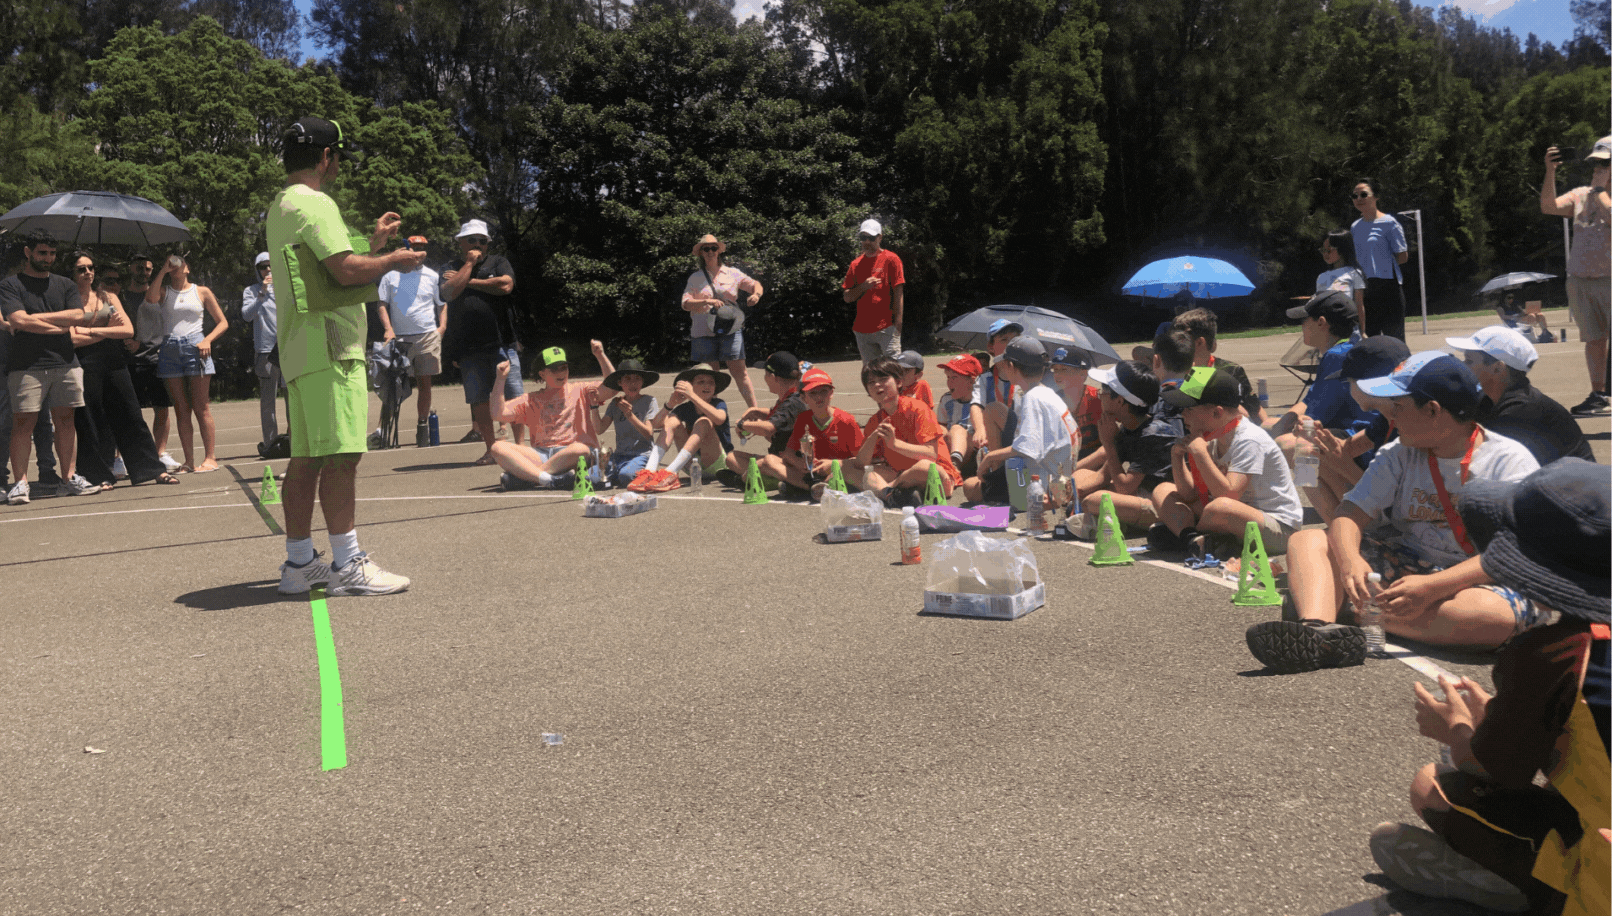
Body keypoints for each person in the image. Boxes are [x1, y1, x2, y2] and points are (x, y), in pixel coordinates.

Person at [1369, 458, 1608, 916]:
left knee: (1432, 786)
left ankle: (1522, 886)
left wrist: (1458, 729)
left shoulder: (1555, 653)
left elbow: (1495, 772)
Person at [1245, 353, 1542, 674]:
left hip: (1480, 578)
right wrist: (1350, 561)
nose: (1390, 415)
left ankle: (1344, 610)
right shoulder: (1398, 453)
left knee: (1488, 616)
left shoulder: (1508, 462)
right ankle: (1319, 630)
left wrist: (1432, 587)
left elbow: (1512, 551)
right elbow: (1348, 514)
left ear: (1432, 410)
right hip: (1407, 566)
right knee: (1308, 541)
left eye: (1398, 407)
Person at [267, 114, 429, 596]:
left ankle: (300, 563)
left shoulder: (282, 205)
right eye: (337, 156)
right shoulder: (316, 202)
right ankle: (348, 562)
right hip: (331, 347)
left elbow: (322, 262)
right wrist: (392, 260)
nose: (338, 165)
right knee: (342, 455)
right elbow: (343, 270)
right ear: (325, 156)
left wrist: (372, 244)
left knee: (307, 458)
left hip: (300, 349)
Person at [1146, 366, 1303, 557]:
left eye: (1189, 408)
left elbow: (1229, 495)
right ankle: (1191, 538)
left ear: (1217, 413)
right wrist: (1176, 456)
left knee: (1220, 508)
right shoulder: (1211, 434)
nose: (1183, 414)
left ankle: (1185, 535)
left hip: (1277, 527)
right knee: (1163, 490)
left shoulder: (1249, 439)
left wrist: (1200, 454)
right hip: (1231, 517)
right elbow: (1189, 494)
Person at [1, 232, 99, 504]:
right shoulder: (11, 285)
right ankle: (20, 484)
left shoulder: (65, 284)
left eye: (52, 253)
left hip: (65, 363)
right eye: (42, 252)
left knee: (66, 421)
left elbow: (77, 315)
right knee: (23, 424)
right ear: (28, 252)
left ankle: (68, 479)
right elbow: (18, 320)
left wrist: (34, 320)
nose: (48, 258)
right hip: (26, 365)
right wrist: (57, 327)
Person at [65, 251, 175, 489]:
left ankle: (152, 469)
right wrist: (108, 330)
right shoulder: (68, 300)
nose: (88, 273)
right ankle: (98, 475)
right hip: (84, 364)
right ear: (72, 273)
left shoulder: (108, 296)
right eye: (81, 269)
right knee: (92, 420)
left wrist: (91, 331)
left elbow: (127, 330)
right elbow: (72, 338)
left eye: (91, 267)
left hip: (114, 362)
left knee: (131, 414)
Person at [1447, 326, 1594, 466]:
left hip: (1571, 483)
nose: (1462, 366)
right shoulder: (1491, 400)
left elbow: (1482, 460)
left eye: (1469, 361)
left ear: (1498, 368)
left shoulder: (1521, 410)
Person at [1301, 335, 1409, 523]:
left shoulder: (1407, 426)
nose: (1348, 389)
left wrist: (1342, 464)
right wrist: (1317, 436)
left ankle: (1356, 529)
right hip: (1388, 501)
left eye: (1349, 382)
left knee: (1308, 458)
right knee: (1305, 456)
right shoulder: (1387, 419)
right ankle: (1336, 524)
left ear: (1366, 384)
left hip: (1398, 514)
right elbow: (1348, 447)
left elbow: (1386, 498)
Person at [1541, 138, 1611, 416]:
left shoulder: (1598, 194)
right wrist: (1550, 172)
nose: (1598, 168)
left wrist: (1600, 190)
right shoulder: (1582, 194)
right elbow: (1549, 206)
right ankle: (1599, 395)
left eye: (1605, 163)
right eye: (1595, 163)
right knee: (1594, 339)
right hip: (1581, 279)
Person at [441, 219, 518, 462]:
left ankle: (522, 447)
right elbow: (448, 292)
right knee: (479, 401)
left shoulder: (498, 262)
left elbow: (506, 285)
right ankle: (492, 450)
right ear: (461, 242)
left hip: (502, 342)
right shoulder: (452, 266)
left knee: (514, 397)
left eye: (482, 241)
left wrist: (468, 282)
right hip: (468, 347)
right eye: (472, 240)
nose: (478, 245)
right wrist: (469, 265)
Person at [490, 342, 617, 490]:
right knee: (497, 447)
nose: (561, 373)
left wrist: (600, 355)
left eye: (564, 367)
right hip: (540, 454)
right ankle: (549, 479)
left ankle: (527, 476)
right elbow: (498, 414)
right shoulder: (531, 399)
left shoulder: (581, 390)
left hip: (570, 452)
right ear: (542, 374)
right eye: (554, 369)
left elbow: (612, 388)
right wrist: (500, 379)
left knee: (580, 450)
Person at [962, 338, 1070, 505]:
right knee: (972, 486)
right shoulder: (1045, 392)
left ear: (1011, 367)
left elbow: (1026, 448)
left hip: (1045, 479)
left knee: (970, 487)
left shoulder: (1033, 398)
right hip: (1059, 470)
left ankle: (1003, 490)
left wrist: (990, 457)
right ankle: (999, 482)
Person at [1073, 359, 1177, 531]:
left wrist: (1109, 444)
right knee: (1081, 476)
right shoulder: (1128, 427)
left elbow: (1124, 487)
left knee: (1096, 500)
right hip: (1139, 493)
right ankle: (1108, 520)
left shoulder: (1153, 434)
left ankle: (1108, 522)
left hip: (1163, 505)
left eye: (1104, 390)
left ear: (1120, 401)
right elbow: (1103, 475)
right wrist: (1074, 490)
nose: (1100, 395)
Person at [147, 253, 228, 473]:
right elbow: (150, 298)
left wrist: (207, 340)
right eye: (172, 263)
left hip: (195, 345)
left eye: (179, 263)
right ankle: (188, 460)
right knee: (181, 409)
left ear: (187, 268)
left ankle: (210, 458)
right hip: (170, 347)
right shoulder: (164, 291)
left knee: (201, 407)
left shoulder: (201, 291)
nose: (176, 266)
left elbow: (222, 322)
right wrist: (163, 270)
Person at [854, 355, 960, 506]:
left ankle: (886, 491)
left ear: (898, 382)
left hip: (936, 475)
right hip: (901, 474)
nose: (877, 385)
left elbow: (930, 454)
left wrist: (895, 444)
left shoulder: (918, 408)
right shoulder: (875, 421)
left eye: (883, 379)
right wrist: (873, 437)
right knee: (849, 467)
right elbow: (860, 464)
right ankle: (898, 494)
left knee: (925, 467)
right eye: (871, 382)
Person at [1266, 291, 1366, 450]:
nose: (1302, 326)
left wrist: (1279, 430)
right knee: (1267, 425)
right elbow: (1309, 401)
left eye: (1304, 320)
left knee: (1285, 444)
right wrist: (1284, 420)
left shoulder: (1338, 356)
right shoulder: (1344, 349)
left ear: (1321, 322)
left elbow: (1315, 417)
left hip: (1356, 434)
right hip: (1349, 427)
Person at [376, 238, 446, 448]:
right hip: (399, 338)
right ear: (406, 250)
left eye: (422, 248)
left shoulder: (432, 276)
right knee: (393, 386)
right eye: (414, 248)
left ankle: (422, 427)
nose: (418, 252)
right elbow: (382, 304)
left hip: (427, 336)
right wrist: (388, 329)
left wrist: (442, 328)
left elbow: (442, 303)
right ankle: (383, 432)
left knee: (425, 383)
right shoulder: (390, 275)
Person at [682, 233, 763, 409]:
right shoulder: (695, 278)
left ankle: (754, 411)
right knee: (709, 376)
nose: (710, 251)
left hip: (730, 328)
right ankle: (709, 413)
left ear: (719, 251)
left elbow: (755, 284)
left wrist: (756, 295)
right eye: (706, 249)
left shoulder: (732, 273)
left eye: (713, 248)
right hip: (703, 331)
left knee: (740, 372)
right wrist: (706, 301)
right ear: (701, 253)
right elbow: (686, 303)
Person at [122, 252, 179, 472]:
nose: (143, 273)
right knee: (127, 411)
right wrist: (125, 340)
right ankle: (122, 457)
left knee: (162, 408)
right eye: (139, 268)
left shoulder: (159, 295)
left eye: (147, 269)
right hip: (128, 362)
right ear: (130, 268)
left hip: (157, 359)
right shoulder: (121, 296)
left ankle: (160, 453)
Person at [727, 351, 807, 495]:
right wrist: (757, 411)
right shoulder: (790, 398)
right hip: (782, 459)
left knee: (766, 462)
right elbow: (781, 415)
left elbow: (768, 428)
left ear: (773, 377)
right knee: (732, 458)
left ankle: (796, 484)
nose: (764, 378)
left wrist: (741, 425)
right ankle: (775, 481)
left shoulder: (793, 402)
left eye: (766, 374)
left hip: (792, 461)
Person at [780, 367, 865, 502]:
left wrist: (834, 464)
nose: (819, 397)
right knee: (770, 461)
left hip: (837, 471)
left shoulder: (846, 420)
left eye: (824, 391)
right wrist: (800, 463)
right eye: (813, 393)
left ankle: (807, 488)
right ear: (803, 398)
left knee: (852, 474)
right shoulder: (803, 419)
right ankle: (816, 488)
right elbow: (788, 453)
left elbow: (861, 460)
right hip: (812, 472)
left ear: (831, 393)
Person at [647, 366, 734, 492]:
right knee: (671, 421)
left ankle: (671, 472)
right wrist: (670, 404)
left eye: (711, 382)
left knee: (703, 421)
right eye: (701, 382)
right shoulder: (686, 408)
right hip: (690, 466)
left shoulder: (718, 403)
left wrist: (692, 395)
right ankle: (649, 471)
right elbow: (656, 424)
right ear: (690, 386)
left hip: (717, 465)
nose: (707, 385)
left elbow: (719, 419)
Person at [1172, 307, 1265, 424]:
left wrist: (1266, 427)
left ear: (1199, 342)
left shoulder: (1231, 370)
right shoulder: (1172, 371)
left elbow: (1254, 409)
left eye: (1180, 341)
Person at [1349, 178, 1410, 340]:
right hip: (1365, 288)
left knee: (1395, 339)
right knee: (1369, 338)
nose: (1359, 199)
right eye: (1355, 196)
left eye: (1363, 194)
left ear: (1375, 197)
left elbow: (1402, 256)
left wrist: (1380, 265)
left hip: (1388, 286)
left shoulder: (1389, 223)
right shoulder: (1355, 227)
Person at [240, 251, 285, 455]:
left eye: (270, 265)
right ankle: (270, 443)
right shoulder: (251, 290)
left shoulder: (285, 287)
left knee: (293, 397)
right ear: (257, 270)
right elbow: (246, 316)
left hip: (288, 348)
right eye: (263, 267)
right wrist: (262, 292)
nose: (267, 269)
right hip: (265, 351)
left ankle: (296, 440)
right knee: (268, 400)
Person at [843, 219, 904, 365]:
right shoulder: (855, 264)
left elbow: (898, 292)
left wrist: (898, 323)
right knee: (871, 372)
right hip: (862, 330)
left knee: (894, 369)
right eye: (863, 237)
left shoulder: (891, 259)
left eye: (871, 238)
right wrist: (863, 287)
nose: (867, 241)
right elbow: (847, 297)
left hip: (887, 327)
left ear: (880, 238)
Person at [600, 359, 662, 489]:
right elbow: (600, 429)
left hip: (641, 455)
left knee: (626, 476)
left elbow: (648, 433)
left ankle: (641, 471)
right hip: (619, 455)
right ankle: (615, 475)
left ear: (642, 382)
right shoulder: (615, 403)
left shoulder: (649, 401)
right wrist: (594, 406)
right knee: (595, 478)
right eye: (627, 379)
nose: (633, 383)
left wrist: (629, 415)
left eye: (637, 378)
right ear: (620, 383)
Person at [974, 319, 1024, 451]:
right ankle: (996, 462)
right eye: (1004, 340)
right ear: (991, 347)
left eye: (1014, 340)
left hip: (1022, 434)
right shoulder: (985, 379)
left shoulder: (1027, 375)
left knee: (994, 409)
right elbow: (976, 406)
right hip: (994, 434)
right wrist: (979, 429)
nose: (1010, 344)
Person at [935, 353, 986, 473]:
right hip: (953, 446)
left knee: (957, 428)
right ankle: (945, 464)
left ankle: (954, 466)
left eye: (954, 378)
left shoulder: (982, 401)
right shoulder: (946, 399)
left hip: (975, 452)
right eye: (948, 377)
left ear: (971, 381)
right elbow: (942, 424)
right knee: (940, 431)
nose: (949, 382)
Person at [1314, 228, 1366, 313]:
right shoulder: (1321, 277)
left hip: (1346, 319)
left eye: (1329, 250)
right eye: (1323, 250)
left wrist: (1361, 322)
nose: (1325, 254)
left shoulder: (1354, 273)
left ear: (1342, 249)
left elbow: (1359, 305)